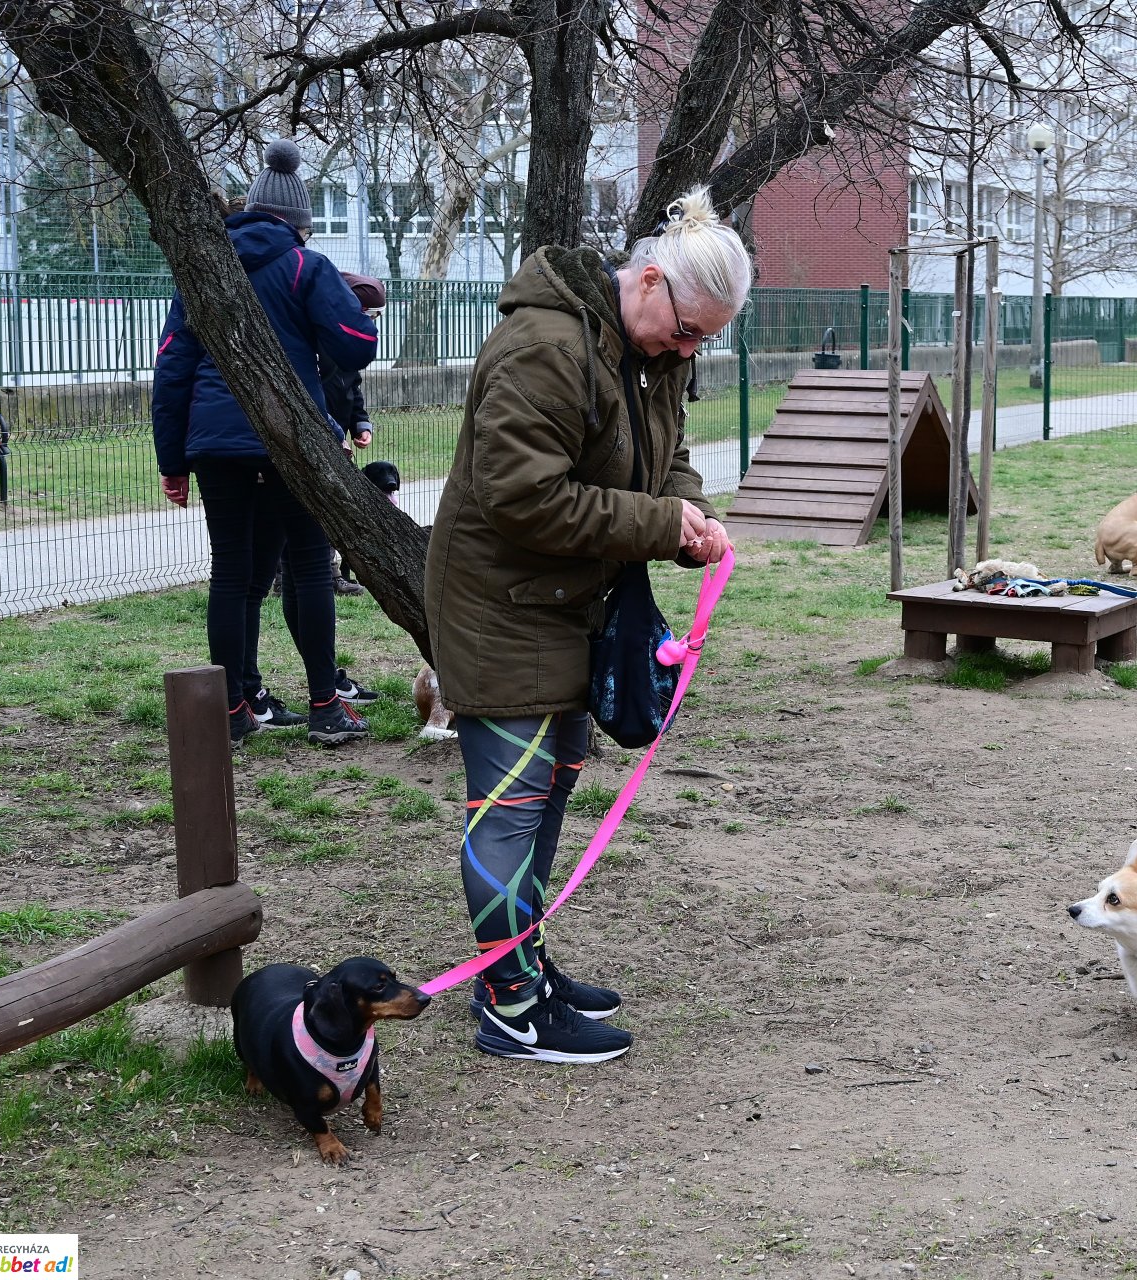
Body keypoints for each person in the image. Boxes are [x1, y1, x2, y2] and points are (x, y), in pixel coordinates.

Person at [425, 185, 747, 1065]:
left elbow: (667, 457)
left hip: (572, 604)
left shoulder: (648, 350)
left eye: (704, 340)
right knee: (510, 807)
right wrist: (658, 525)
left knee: (553, 787)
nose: (689, 350)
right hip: (501, 605)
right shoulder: (544, 347)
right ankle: (509, 1009)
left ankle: (520, 965)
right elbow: (523, 498)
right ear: (648, 281)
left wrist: (691, 515)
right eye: (686, 331)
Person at [153, 139, 379, 747]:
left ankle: (233, 709)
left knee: (232, 572)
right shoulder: (305, 266)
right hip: (290, 441)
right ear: (298, 224)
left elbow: (171, 370)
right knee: (308, 565)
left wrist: (172, 461)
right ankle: (326, 705)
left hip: (215, 446)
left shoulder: (205, 270)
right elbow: (355, 345)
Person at [325, 271, 387, 596]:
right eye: (369, 313)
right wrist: (332, 432)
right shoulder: (319, 335)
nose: (371, 322)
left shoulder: (346, 342)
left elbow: (352, 387)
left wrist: (361, 423)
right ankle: (319, 574)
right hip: (319, 436)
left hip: (338, 438)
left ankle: (325, 572)